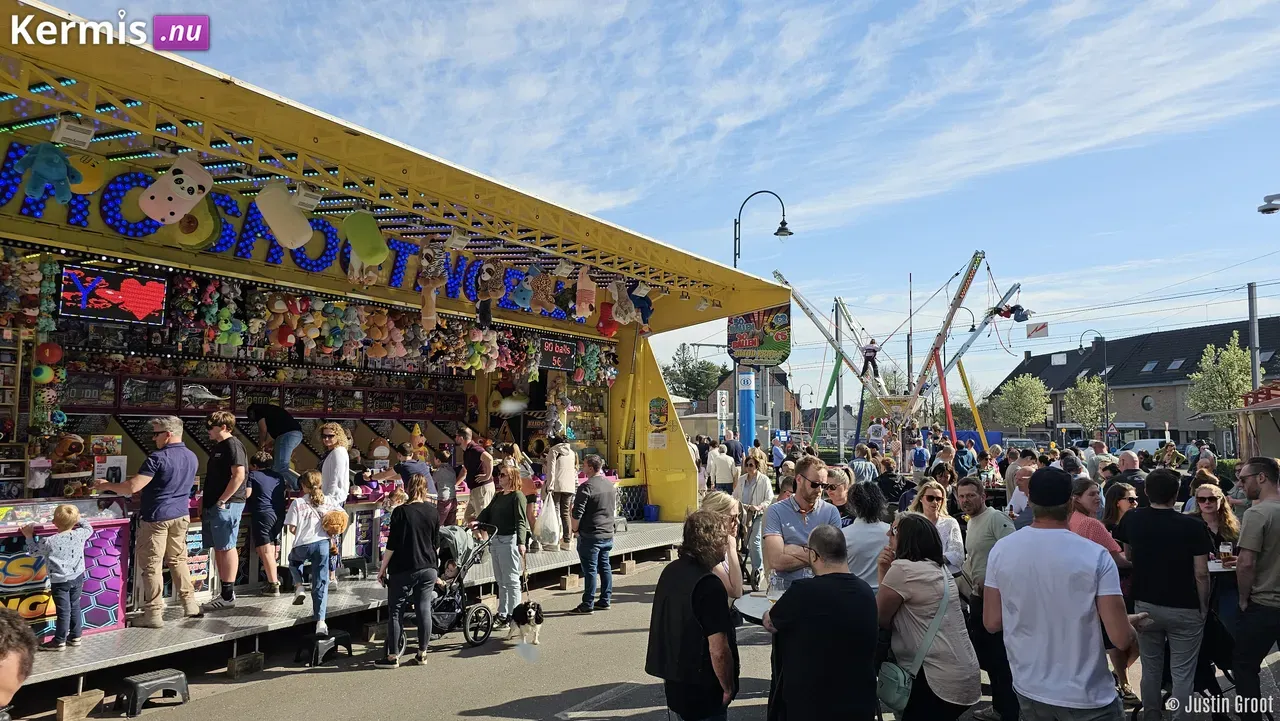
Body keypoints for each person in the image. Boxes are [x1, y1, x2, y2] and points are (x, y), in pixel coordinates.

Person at [984, 467, 1138, 720]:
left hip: (1029, 688)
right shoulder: (1095, 555)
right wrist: (1130, 625)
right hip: (1088, 696)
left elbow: (992, 622)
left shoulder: (1002, 550)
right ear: (1070, 502)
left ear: (1031, 501)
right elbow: (1121, 639)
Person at [1112, 468, 1210, 720]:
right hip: (1184, 604)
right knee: (1182, 672)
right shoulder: (1193, 525)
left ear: (1146, 492)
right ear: (1176, 494)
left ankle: (1152, 715)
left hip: (1146, 602)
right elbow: (1201, 573)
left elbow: (1129, 556)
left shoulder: (1132, 519)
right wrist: (1203, 606)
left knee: (1151, 667)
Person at [764, 524, 878, 720]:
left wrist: (768, 612)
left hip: (811, 705)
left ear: (814, 556)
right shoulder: (866, 591)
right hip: (858, 702)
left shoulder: (803, 591)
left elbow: (771, 622)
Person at [95, 415, 199, 627]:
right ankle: (190, 604)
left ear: (168, 435)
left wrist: (106, 485)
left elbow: (132, 487)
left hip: (157, 517)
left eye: (157, 434)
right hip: (181, 515)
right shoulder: (192, 456)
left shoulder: (157, 458)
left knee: (152, 565)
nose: (154, 438)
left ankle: (153, 613)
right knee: (178, 560)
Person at [877, 512, 981, 720]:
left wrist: (882, 569)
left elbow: (879, 617)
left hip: (935, 678)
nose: (888, 533)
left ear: (908, 538)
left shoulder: (903, 570)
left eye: (894, 530)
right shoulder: (939, 568)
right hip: (962, 671)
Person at [646, 510, 739, 721]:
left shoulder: (671, 571)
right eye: (724, 539)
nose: (727, 544)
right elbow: (718, 649)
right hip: (703, 686)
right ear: (712, 541)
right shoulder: (709, 584)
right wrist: (727, 686)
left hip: (675, 681)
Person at [954, 478, 1017, 721]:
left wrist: (997, 583)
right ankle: (1000, 708)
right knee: (990, 658)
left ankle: (1009, 711)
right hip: (978, 599)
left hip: (997, 601)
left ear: (983, 496)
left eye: (970, 495)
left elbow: (1014, 553)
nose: (965, 500)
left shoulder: (996, 519)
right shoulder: (972, 523)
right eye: (961, 496)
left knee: (1000, 658)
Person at [1229, 457, 1280, 721]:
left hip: (1265, 604)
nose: (1241, 483)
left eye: (1244, 478)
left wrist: (1242, 598)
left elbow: (1246, 563)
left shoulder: (1256, 513)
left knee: (1245, 667)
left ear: (1262, 477)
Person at [375, 472, 440, 668]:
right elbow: (436, 544)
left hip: (404, 567)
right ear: (425, 489)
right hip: (428, 567)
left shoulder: (401, 512)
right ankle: (422, 653)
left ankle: (392, 656)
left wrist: (382, 569)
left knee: (396, 610)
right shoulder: (433, 511)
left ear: (408, 489)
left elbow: (392, 545)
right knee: (424, 608)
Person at [763, 456, 842, 591]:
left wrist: (790, 549)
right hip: (786, 592)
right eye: (815, 484)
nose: (820, 490)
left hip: (822, 591)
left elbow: (834, 560)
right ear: (799, 479)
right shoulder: (775, 511)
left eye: (824, 486)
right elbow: (776, 561)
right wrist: (817, 555)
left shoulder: (831, 511)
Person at [21, 505, 92, 651]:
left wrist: (28, 536)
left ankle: (59, 641)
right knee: (75, 606)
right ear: (75, 521)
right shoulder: (80, 534)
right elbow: (89, 528)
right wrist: (79, 518)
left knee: (63, 611)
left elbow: (33, 551)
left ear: (54, 522)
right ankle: (76, 636)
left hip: (60, 582)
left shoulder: (49, 541)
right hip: (78, 577)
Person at [200, 411, 248, 612]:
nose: (208, 430)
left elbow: (239, 475)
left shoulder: (233, 445)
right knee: (219, 547)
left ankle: (228, 593)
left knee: (227, 545)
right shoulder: (218, 447)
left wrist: (222, 500)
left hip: (226, 504)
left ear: (225, 427)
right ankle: (224, 591)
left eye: (211, 426)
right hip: (214, 503)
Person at [284, 470, 343, 635]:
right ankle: (321, 622)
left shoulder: (297, 503)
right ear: (321, 483)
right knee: (321, 584)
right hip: (323, 545)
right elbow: (342, 518)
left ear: (303, 486)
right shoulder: (329, 501)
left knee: (294, 562)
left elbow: (292, 528)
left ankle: (299, 586)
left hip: (302, 544)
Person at [1100, 481, 1141, 705]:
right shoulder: (1106, 527)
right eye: (1131, 499)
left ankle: (1116, 676)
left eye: (1136, 499)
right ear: (1118, 502)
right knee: (1118, 639)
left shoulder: (1136, 524)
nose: (1136, 503)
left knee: (1136, 640)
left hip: (1134, 585)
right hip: (1114, 586)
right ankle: (1124, 684)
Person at [475, 465, 527, 627]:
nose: (500, 477)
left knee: (511, 580)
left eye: (503, 475)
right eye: (499, 474)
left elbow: (521, 521)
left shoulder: (517, 496)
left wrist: (521, 542)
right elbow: (487, 511)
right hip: (496, 539)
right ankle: (503, 613)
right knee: (500, 580)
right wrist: (477, 522)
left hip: (508, 540)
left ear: (512, 478)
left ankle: (514, 614)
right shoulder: (498, 496)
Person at [1187, 482, 1241, 631]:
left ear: (1220, 499)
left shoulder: (1232, 525)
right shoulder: (1190, 523)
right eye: (1202, 499)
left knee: (1229, 625)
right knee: (1200, 627)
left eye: (1212, 498)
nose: (1207, 502)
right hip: (1196, 581)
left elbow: (1240, 553)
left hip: (1226, 581)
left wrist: (1238, 560)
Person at [571, 454, 616, 614]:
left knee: (590, 569)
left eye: (584, 465)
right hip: (607, 532)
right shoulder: (609, 484)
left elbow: (577, 512)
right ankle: (605, 599)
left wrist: (574, 529)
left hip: (591, 533)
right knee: (605, 566)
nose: (582, 468)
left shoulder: (586, 487)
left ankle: (587, 603)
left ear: (590, 467)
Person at [246, 451, 286, 595]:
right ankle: (273, 577)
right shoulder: (278, 476)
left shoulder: (252, 475)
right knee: (270, 547)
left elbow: (247, 494)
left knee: (266, 550)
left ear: (255, 466)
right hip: (278, 514)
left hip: (262, 514)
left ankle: (273, 583)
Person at [317, 422, 352, 585]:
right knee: (329, 538)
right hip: (331, 499)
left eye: (330, 436)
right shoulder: (334, 452)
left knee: (331, 537)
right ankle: (329, 573)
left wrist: (328, 502)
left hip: (333, 501)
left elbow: (336, 480)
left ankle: (331, 575)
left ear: (338, 436)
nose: (326, 439)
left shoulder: (338, 452)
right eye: (324, 436)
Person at [731, 456, 771, 590]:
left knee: (755, 542)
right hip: (743, 514)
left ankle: (757, 570)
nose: (748, 468)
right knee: (740, 542)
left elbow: (769, 498)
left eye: (751, 465)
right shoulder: (742, 480)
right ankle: (738, 568)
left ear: (756, 466)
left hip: (756, 514)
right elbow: (735, 495)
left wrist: (759, 507)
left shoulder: (764, 480)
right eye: (747, 465)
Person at [842, 481, 890, 591]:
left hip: (853, 593)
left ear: (852, 504)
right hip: (885, 592)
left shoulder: (843, 535)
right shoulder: (892, 532)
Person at [908, 480, 964, 572]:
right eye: (930, 498)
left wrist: (935, 561)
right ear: (921, 498)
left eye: (938, 499)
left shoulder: (950, 523)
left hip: (945, 574)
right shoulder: (912, 523)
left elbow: (958, 554)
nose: (935, 502)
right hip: (917, 573)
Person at [699, 492, 744, 601]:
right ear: (716, 518)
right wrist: (731, 548)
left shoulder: (720, 543)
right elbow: (736, 591)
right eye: (733, 518)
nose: (737, 521)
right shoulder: (706, 549)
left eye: (739, 516)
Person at [246, 402, 303, 489]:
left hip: (288, 435)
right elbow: (270, 436)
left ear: (251, 412)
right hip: (293, 434)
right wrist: (269, 444)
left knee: (281, 466)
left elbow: (263, 430)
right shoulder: (270, 411)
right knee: (276, 467)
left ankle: (301, 486)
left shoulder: (258, 411)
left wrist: (260, 448)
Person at [497, 443, 540, 552]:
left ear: (505, 452)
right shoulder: (523, 460)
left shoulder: (508, 460)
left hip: (520, 488)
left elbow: (509, 474)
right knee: (530, 516)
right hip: (531, 487)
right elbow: (532, 472)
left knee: (520, 516)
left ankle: (522, 540)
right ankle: (535, 540)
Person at [545, 435, 578, 552]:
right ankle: (567, 541)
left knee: (555, 512)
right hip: (569, 486)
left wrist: (549, 486)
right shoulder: (572, 453)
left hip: (557, 485)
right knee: (565, 513)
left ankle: (554, 540)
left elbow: (551, 470)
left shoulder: (553, 451)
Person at [455, 427, 495, 524]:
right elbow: (465, 471)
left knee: (482, 518)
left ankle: (485, 538)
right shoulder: (467, 451)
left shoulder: (475, 448)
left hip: (482, 487)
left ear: (461, 438)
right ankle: (479, 537)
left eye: (456, 436)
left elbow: (489, 458)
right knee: (468, 516)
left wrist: (487, 476)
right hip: (475, 488)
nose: (455, 438)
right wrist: (456, 484)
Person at [432, 448, 458, 527]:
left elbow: (432, 483)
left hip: (443, 500)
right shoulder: (451, 469)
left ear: (438, 460)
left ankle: (436, 538)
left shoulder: (439, 471)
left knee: (438, 523)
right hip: (453, 498)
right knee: (450, 524)